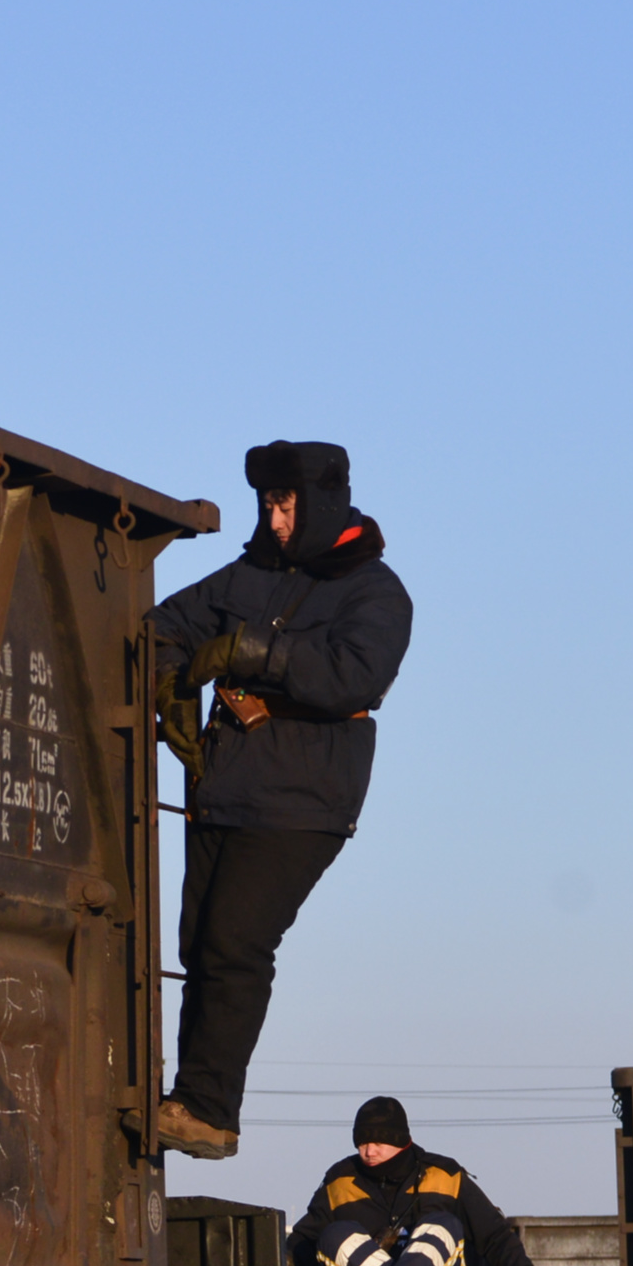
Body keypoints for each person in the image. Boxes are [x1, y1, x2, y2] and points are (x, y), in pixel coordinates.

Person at [144, 439, 412, 1160]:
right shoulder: (250, 572)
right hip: (223, 785)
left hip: (303, 800)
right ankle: (187, 1099)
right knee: (198, 944)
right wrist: (170, 681)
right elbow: (166, 626)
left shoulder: (376, 592)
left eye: (286, 505)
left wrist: (255, 653)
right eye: (268, 505)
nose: (275, 519)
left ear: (323, 504)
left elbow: (352, 677)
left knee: (236, 942)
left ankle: (206, 1109)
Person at [290, 1096, 583, 1266]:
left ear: (401, 1141)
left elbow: (494, 1236)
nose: (369, 1152)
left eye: (378, 1143)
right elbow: (303, 1242)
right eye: (362, 1143)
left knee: (442, 1224)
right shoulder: (340, 1181)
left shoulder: (445, 1175)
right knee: (333, 1234)